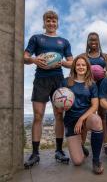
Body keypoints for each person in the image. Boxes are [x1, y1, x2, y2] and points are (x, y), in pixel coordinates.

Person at [24, 10, 73, 168]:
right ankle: (35, 153)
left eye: (54, 21)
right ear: (44, 22)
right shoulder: (36, 38)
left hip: (58, 80)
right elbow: (24, 57)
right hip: (41, 80)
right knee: (38, 116)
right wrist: (34, 60)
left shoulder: (64, 41)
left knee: (59, 115)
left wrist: (62, 63)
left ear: (57, 23)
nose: (51, 23)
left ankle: (59, 150)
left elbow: (71, 62)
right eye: (48, 20)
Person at [62, 55, 104, 174]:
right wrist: (60, 107)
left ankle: (96, 160)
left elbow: (95, 106)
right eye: (78, 64)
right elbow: (59, 102)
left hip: (86, 118)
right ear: (74, 67)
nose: (81, 67)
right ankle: (81, 147)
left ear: (87, 67)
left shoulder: (91, 84)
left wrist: (81, 118)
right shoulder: (66, 81)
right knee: (78, 161)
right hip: (71, 121)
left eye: (83, 65)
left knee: (97, 120)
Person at [81, 32, 107, 155]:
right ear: (87, 42)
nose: (93, 42)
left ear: (99, 41)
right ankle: (81, 145)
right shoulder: (84, 56)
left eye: (95, 40)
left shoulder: (105, 57)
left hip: (102, 88)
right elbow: (78, 68)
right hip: (89, 89)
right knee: (88, 116)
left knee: (103, 116)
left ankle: (106, 144)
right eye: (90, 40)